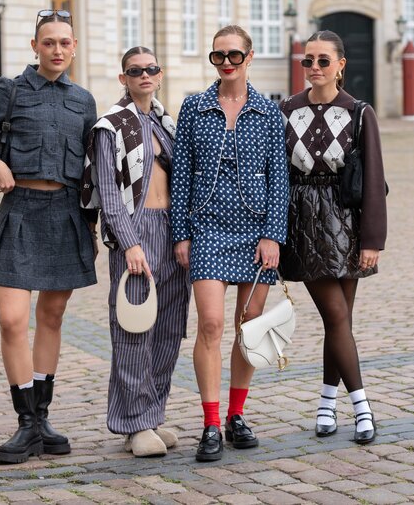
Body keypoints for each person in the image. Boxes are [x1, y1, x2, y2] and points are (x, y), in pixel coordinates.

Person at [0, 9, 98, 463]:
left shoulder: (84, 101)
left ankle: (43, 419)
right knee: (13, 321)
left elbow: (92, 173)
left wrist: (91, 228)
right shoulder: (10, 90)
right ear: (35, 47)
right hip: (21, 212)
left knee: (51, 318)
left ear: (74, 48)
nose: (57, 50)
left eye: (64, 43)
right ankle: (25, 423)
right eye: (48, 42)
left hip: (66, 214)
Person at [171, 25, 289, 462]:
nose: (225, 63)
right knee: (211, 325)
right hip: (207, 228)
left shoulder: (267, 111)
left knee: (249, 325)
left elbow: (280, 180)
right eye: (218, 56)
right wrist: (180, 233)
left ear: (249, 57)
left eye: (234, 56)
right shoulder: (195, 108)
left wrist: (273, 234)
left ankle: (238, 414)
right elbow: (181, 173)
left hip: (257, 231)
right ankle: (210, 422)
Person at [80, 47, 191, 458]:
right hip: (136, 232)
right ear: (123, 78)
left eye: (151, 69)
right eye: (135, 71)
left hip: (171, 231)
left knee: (167, 330)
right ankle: (134, 424)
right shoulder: (110, 127)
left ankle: (153, 415)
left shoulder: (166, 125)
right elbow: (109, 193)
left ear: (159, 75)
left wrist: (186, 235)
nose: (144, 76)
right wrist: (129, 243)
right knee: (132, 329)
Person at [278, 30, 387, 444]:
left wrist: (372, 240)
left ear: (341, 65)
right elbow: (277, 175)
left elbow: (375, 179)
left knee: (338, 320)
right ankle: (362, 406)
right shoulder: (287, 109)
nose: (315, 68)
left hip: (347, 221)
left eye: (323, 60)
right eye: (308, 61)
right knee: (336, 316)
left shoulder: (359, 112)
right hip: (304, 219)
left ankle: (326, 402)